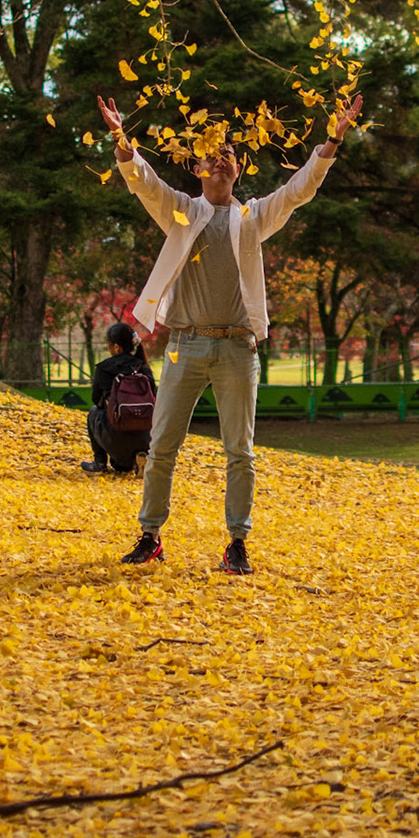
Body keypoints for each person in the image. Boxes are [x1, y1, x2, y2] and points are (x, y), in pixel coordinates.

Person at [95, 90, 364, 574]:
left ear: (238, 170)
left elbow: (298, 190)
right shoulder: (180, 210)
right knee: (161, 448)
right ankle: (150, 535)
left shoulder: (251, 217)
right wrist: (120, 136)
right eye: (212, 157)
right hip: (185, 345)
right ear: (197, 168)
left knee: (240, 451)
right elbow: (143, 181)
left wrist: (330, 141)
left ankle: (237, 542)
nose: (221, 162)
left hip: (238, 347)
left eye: (230, 157)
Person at [82, 322, 154, 474]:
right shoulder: (143, 367)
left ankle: (99, 462)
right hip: (146, 437)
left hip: (115, 435)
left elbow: (96, 400)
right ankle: (139, 459)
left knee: (93, 411)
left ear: (116, 347)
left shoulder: (104, 368)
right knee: (120, 467)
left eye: (108, 344)